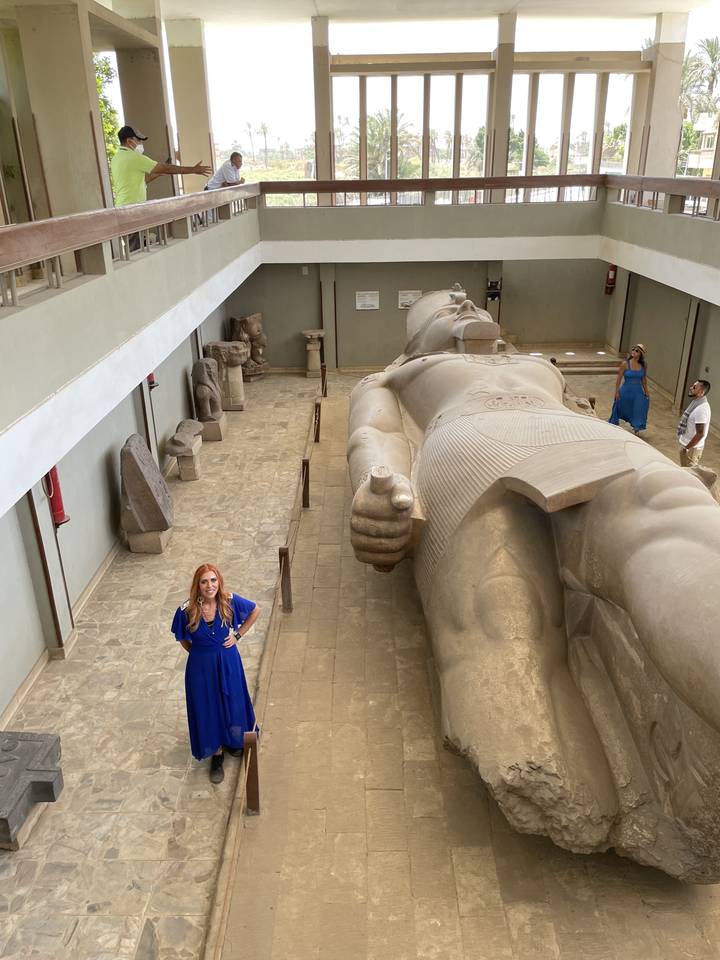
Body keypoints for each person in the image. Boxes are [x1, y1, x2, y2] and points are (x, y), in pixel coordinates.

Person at [346, 287, 720, 881]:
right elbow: (376, 439)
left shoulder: (538, 363)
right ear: (416, 339)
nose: (466, 303)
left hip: (584, 441)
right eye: (449, 305)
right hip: (468, 446)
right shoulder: (392, 379)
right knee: (507, 629)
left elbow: (583, 410)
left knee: (675, 523)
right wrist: (377, 488)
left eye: (466, 300)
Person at [171, 563, 260, 783]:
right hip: (200, 669)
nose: (209, 585)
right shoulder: (186, 610)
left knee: (232, 700)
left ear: (218, 581)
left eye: (213, 580)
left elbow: (255, 610)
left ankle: (233, 740)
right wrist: (200, 653)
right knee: (208, 705)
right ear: (197, 585)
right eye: (204, 581)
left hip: (228, 662)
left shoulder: (228, 601)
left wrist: (238, 635)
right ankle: (217, 753)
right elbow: (182, 637)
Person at [110, 124, 212, 207]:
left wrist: (158, 173)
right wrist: (193, 170)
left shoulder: (116, 158)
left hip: (121, 207)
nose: (141, 143)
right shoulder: (133, 157)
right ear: (129, 141)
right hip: (132, 208)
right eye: (139, 140)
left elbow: (141, 180)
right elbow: (166, 168)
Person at [608, 343, 650, 435]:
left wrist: (646, 392)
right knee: (618, 406)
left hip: (638, 392)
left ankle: (636, 427)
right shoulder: (625, 364)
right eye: (633, 349)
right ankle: (613, 425)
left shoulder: (643, 365)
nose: (634, 351)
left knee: (637, 409)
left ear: (641, 354)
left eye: (637, 350)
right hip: (625, 390)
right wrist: (616, 391)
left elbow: (644, 380)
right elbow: (618, 379)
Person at [678, 379, 711, 466]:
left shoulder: (701, 409)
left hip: (692, 449)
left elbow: (700, 433)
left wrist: (686, 448)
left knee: (689, 475)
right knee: (685, 472)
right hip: (688, 446)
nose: (691, 388)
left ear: (701, 392)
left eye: (694, 387)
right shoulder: (696, 403)